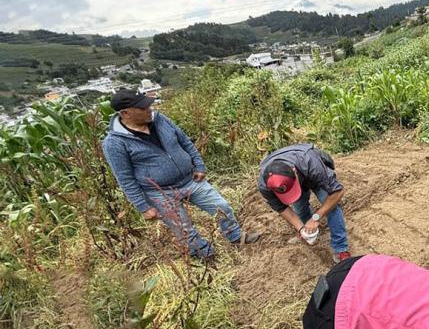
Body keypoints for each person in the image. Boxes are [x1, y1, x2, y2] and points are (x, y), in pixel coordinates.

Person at [102, 89, 261, 259]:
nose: (149, 109)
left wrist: (199, 165)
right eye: (142, 108)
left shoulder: (160, 120)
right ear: (126, 113)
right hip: (159, 192)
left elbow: (184, 141)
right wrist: (144, 207)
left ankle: (236, 237)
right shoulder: (115, 143)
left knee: (221, 207)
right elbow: (125, 179)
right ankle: (206, 256)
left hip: (190, 179)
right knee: (184, 229)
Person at [258, 144, 351, 263]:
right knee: (300, 209)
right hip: (296, 175)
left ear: (294, 172)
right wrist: (301, 228)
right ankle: (308, 232)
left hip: (313, 175)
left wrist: (316, 217)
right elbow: (281, 209)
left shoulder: (310, 162)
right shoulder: (264, 186)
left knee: (330, 207)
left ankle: (341, 248)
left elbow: (338, 191)